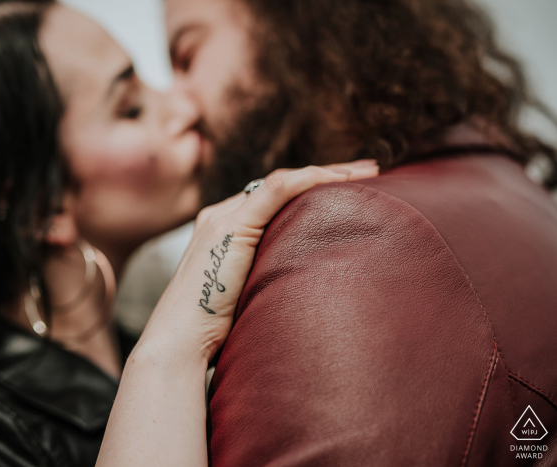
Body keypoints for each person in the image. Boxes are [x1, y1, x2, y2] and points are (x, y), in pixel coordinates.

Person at [0, 0, 379, 465]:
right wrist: (171, 350)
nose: (186, 106)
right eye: (130, 108)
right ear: (39, 209)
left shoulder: (215, 352)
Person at [162, 0, 557, 465]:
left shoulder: (346, 239)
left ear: (293, 20)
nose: (178, 102)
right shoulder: (505, 178)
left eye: (187, 56)